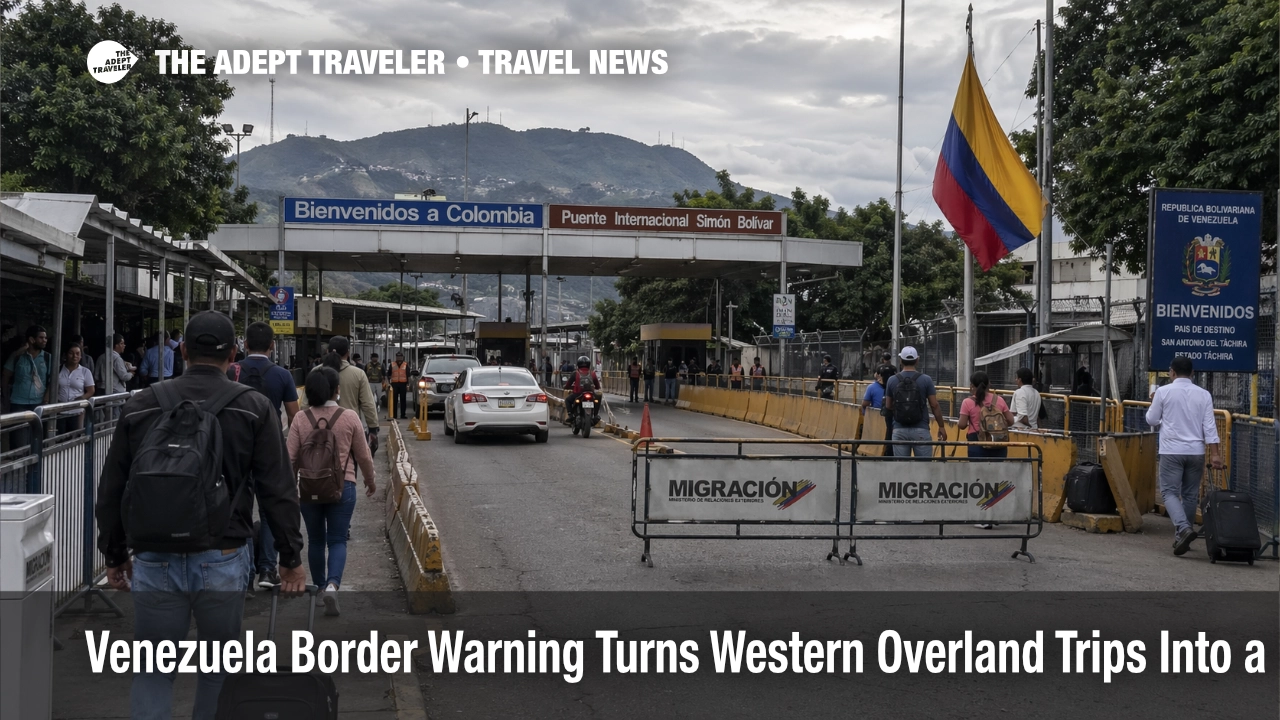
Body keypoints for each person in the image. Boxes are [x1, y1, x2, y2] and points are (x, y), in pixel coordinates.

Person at [95, 311, 306, 720]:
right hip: (223, 555)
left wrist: (114, 551)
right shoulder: (254, 408)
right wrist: (290, 557)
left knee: (153, 671)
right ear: (233, 354)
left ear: (184, 351)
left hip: (154, 558)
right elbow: (277, 490)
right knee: (218, 671)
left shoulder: (141, 405)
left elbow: (112, 487)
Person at [289, 366, 377, 615]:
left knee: (315, 540)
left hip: (308, 488)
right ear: (336, 390)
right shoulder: (349, 417)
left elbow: (290, 458)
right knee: (337, 540)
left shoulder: (300, 419)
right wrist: (370, 481)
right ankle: (332, 585)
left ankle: (318, 588)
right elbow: (363, 456)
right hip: (343, 486)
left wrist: (289, 488)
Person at [230, 322, 302, 592]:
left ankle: (245, 573)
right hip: (270, 449)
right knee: (271, 508)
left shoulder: (231, 371)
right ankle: (267, 569)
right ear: (272, 346)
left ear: (244, 344)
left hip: (236, 451)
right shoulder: (282, 375)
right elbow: (294, 414)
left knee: (241, 510)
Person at [1145, 355, 1223, 556]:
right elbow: (1209, 426)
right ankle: (1182, 537)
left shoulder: (1163, 392)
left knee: (1169, 493)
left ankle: (1183, 528)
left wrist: (1154, 404)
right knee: (1189, 495)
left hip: (1171, 450)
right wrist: (1215, 454)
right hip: (1196, 452)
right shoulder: (1204, 394)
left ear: (1171, 372)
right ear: (1192, 373)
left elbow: (1151, 419)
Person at [883, 346, 947, 458]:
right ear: (917, 360)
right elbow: (934, 405)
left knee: (902, 469)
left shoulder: (892, 380)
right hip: (921, 429)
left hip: (899, 429)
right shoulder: (926, 379)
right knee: (924, 469)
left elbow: (888, 405)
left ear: (900, 361)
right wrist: (941, 426)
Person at [2, 325, 51, 419]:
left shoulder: (47, 358)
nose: (44, 340)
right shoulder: (17, 356)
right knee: (19, 432)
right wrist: (6, 397)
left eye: (45, 338)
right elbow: (6, 375)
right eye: (41, 338)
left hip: (39, 403)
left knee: (37, 432)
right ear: (32, 339)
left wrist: (46, 398)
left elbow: (53, 380)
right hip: (18, 402)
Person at [56, 344, 95, 433]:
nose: (75, 356)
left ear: (81, 356)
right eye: (71, 353)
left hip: (77, 412)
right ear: (65, 355)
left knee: (75, 438)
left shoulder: (85, 371)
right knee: (60, 439)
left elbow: (91, 390)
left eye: (77, 353)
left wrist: (81, 398)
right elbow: (52, 388)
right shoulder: (58, 370)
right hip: (60, 411)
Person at [565, 356, 601, 423]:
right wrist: (596, 388)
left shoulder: (575, 373)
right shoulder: (592, 373)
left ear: (578, 364)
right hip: (591, 393)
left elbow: (568, 384)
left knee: (567, 400)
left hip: (578, 393)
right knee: (598, 399)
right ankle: (596, 415)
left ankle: (570, 415)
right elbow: (597, 385)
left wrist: (567, 387)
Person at [388, 351, 410, 419]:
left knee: (403, 400)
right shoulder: (392, 364)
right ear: (396, 357)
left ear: (402, 357)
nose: (399, 358)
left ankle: (403, 414)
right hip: (394, 384)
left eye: (400, 356)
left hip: (403, 384)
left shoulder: (405, 364)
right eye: (398, 356)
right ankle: (394, 415)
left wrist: (408, 385)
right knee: (394, 400)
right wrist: (389, 383)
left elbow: (408, 375)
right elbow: (389, 374)